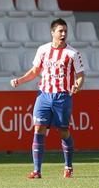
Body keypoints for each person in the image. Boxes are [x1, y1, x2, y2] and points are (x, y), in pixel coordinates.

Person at [10, 18, 85, 179]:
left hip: (62, 96)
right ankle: (37, 171)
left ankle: (68, 166)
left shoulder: (73, 53)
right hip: (44, 95)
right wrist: (20, 80)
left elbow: (80, 75)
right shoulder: (43, 50)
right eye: (60, 31)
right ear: (53, 33)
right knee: (38, 129)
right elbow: (35, 70)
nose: (64, 34)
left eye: (65, 31)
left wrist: (77, 85)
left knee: (63, 131)